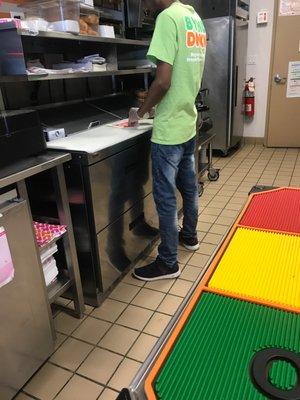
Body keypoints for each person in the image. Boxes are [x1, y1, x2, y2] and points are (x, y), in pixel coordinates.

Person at [128, 0, 207, 281]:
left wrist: (141, 111)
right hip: (187, 120)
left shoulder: (168, 18)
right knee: (189, 186)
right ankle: (190, 236)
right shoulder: (193, 18)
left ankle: (168, 262)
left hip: (170, 128)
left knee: (165, 198)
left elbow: (162, 81)